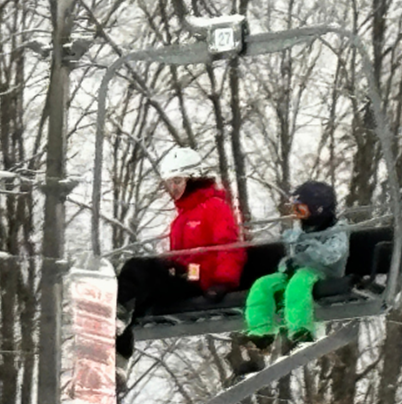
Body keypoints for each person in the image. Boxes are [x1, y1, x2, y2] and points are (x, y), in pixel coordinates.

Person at [115, 147, 247, 389]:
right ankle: (117, 360)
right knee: (137, 298)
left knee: (138, 267)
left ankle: (118, 313)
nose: (173, 188)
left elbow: (227, 245)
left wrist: (223, 282)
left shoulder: (214, 207)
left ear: (193, 179)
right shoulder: (181, 218)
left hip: (200, 278)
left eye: (178, 181)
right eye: (169, 183)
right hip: (183, 276)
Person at [243, 180, 349, 358]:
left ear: (318, 209)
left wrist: (307, 245)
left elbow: (332, 254)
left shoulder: (337, 229)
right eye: (294, 210)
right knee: (263, 285)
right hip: (297, 272)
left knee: (299, 283)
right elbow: (294, 256)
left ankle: (301, 331)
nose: (297, 216)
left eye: (301, 210)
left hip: (324, 273)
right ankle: (261, 334)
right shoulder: (301, 229)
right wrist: (289, 261)